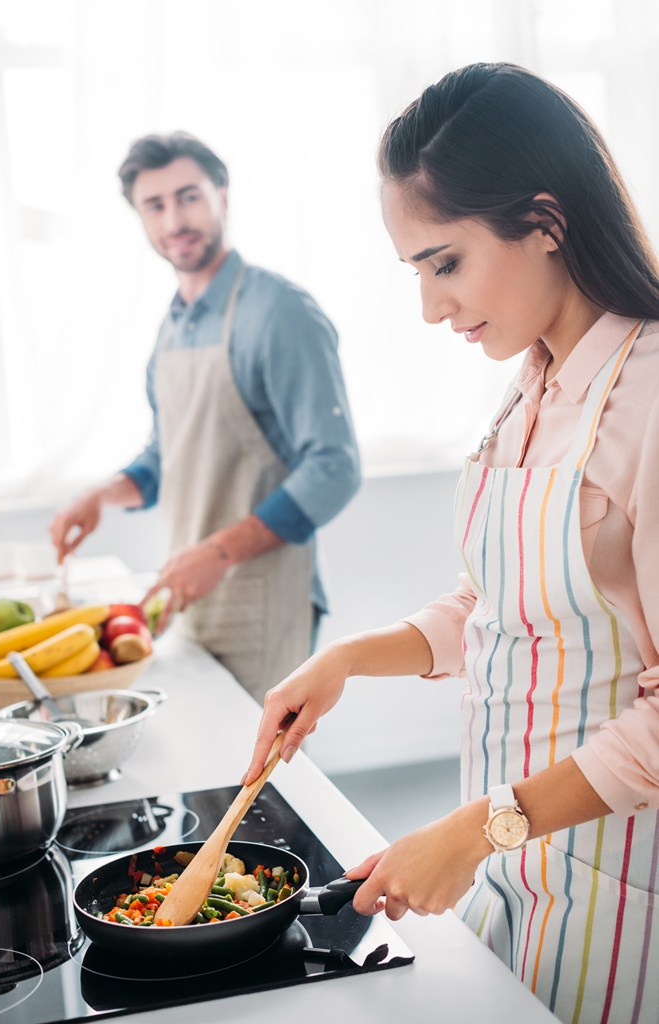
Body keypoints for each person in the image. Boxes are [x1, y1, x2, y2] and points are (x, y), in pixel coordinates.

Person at [244, 64, 659, 1024]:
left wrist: (478, 829)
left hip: (617, 874)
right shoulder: (532, 384)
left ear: (545, 222)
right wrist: (348, 657)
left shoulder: (648, 399)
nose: (432, 310)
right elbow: (501, 603)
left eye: (445, 263)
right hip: (513, 858)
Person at [50, 132, 360, 702]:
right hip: (193, 593)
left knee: (266, 778)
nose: (175, 220)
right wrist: (103, 494)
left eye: (188, 196)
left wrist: (219, 553)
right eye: (155, 205)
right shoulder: (173, 324)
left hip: (264, 592)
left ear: (223, 194)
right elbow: (168, 451)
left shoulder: (280, 311)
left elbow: (334, 467)